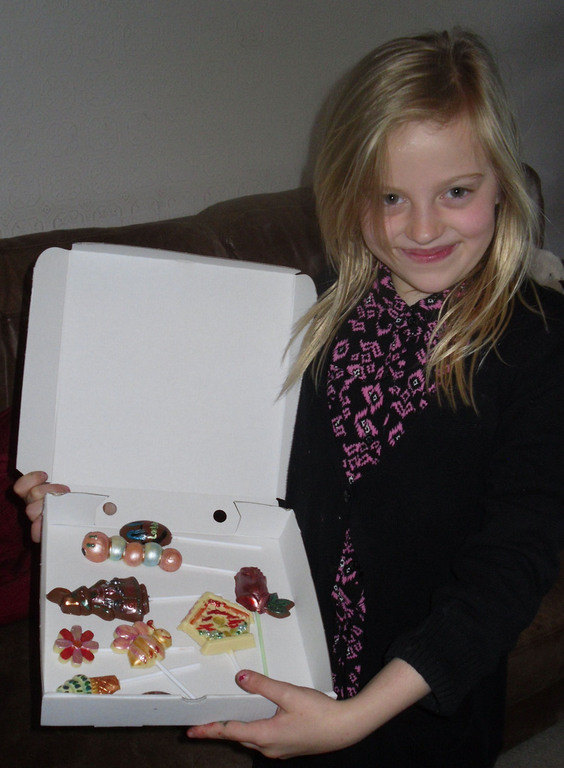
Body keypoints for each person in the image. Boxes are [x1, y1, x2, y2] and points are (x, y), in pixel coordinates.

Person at [15, 28, 564, 768]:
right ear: (347, 194)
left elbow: (512, 564)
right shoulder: (314, 309)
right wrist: (91, 508)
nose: (423, 227)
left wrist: (357, 717)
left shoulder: (537, 343)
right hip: (286, 667)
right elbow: (226, 465)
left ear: (502, 183)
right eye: (390, 197)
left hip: (421, 708)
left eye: (457, 192)